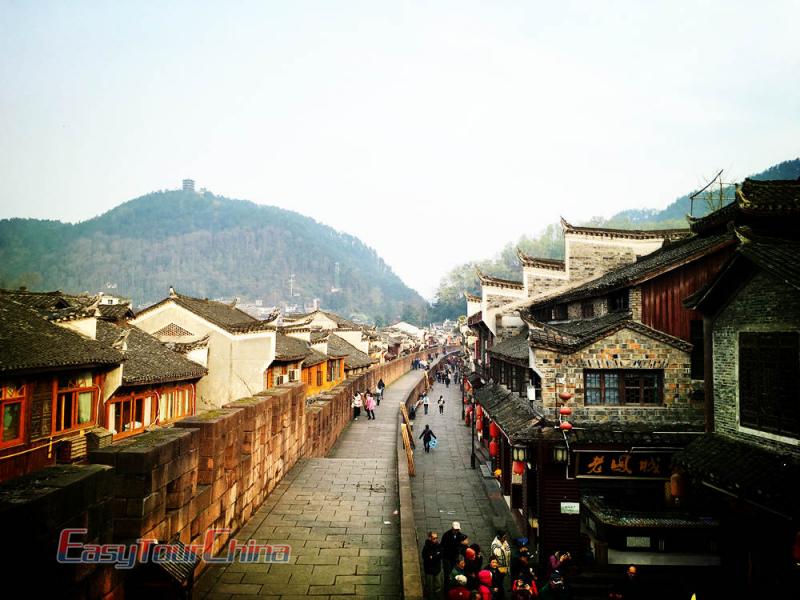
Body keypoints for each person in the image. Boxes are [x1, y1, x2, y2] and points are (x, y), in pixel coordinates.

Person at [441, 522, 467, 590]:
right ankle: (447, 588)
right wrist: (459, 543)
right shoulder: (446, 535)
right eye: (455, 530)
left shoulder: (459, 534)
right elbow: (445, 546)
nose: (456, 531)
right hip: (447, 557)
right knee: (447, 573)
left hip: (454, 557)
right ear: (452, 528)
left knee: (454, 571)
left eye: (458, 530)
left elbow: (464, 538)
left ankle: (453, 585)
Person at [422, 531, 443, 600]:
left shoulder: (438, 546)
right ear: (429, 538)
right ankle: (430, 597)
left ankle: (438, 596)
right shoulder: (426, 548)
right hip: (429, 570)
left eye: (436, 538)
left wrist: (433, 557)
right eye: (434, 538)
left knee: (438, 585)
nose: (435, 540)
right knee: (429, 586)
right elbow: (427, 558)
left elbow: (440, 555)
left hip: (437, 569)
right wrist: (436, 556)